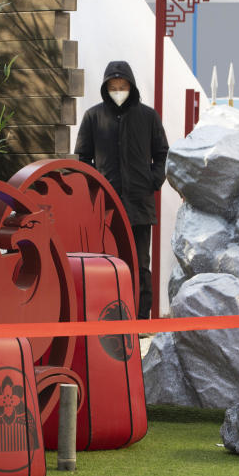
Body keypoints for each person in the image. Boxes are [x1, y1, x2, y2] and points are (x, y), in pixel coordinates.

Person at [74, 60, 169, 319]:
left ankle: (139, 320)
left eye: (122, 86)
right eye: (113, 86)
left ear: (131, 86)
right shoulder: (93, 117)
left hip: (139, 203)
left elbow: (162, 153)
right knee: (106, 263)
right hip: (106, 205)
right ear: (106, 88)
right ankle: (109, 320)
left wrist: (153, 180)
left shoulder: (148, 117)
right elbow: (82, 157)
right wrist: (96, 186)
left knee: (140, 264)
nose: (118, 90)